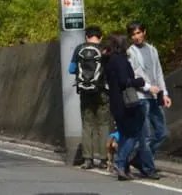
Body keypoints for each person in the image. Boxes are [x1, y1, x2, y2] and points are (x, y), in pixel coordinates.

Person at [102, 32, 153, 180]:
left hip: (115, 102)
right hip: (126, 102)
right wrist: (140, 82)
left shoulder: (108, 60)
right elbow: (125, 81)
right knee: (133, 134)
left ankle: (123, 168)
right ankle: (120, 163)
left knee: (124, 134)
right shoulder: (120, 60)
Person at [127, 20, 170, 176]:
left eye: (139, 33)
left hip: (155, 96)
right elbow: (134, 75)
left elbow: (158, 72)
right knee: (145, 135)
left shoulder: (152, 50)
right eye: (133, 34)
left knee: (162, 132)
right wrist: (147, 87)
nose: (136, 37)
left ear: (144, 32)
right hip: (141, 96)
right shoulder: (130, 52)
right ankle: (148, 168)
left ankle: (140, 158)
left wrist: (164, 93)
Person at [68, 25, 110, 169]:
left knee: (87, 125)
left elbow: (71, 69)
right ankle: (104, 160)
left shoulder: (79, 49)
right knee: (103, 125)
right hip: (102, 92)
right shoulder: (105, 49)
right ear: (101, 37)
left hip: (85, 92)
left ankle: (88, 159)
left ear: (86, 36)